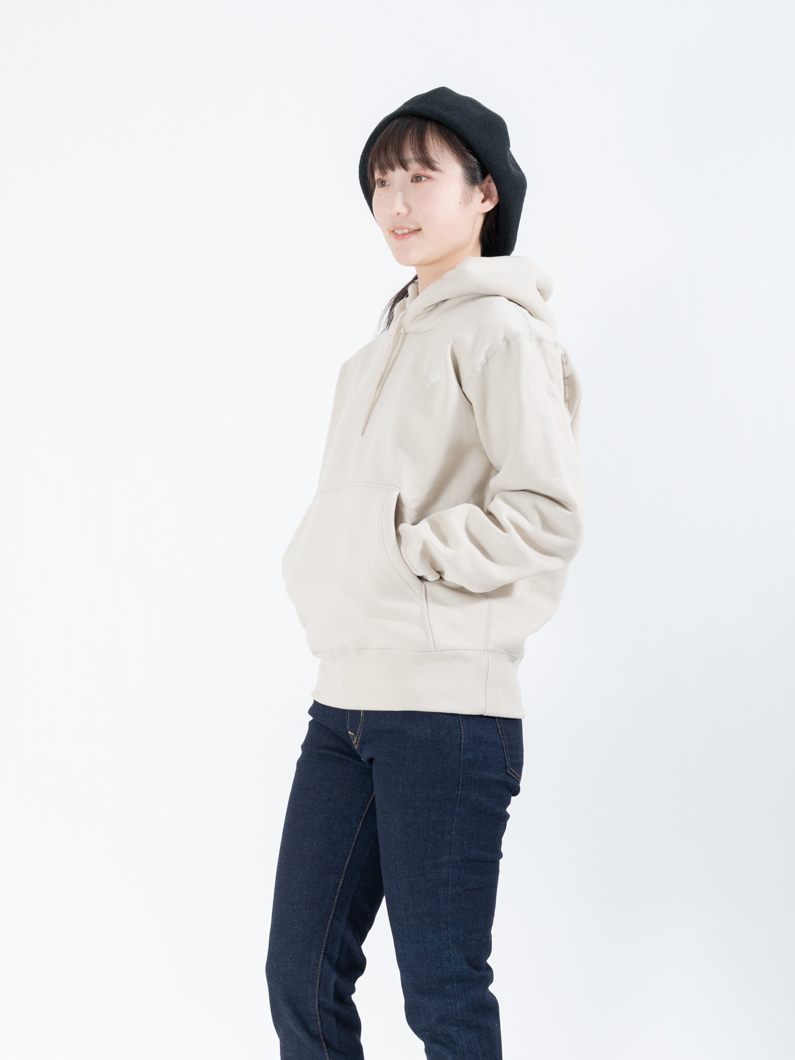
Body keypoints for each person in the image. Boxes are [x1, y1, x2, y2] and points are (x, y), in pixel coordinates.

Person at [265, 85, 586, 1060]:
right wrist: (325, 560)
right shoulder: (371, 356)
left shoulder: (502, 332)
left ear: (484, 193)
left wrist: (410, 554)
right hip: (344, 703)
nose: (395, 201)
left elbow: (546, 513)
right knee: (300, 978)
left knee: (443, 994)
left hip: (446, 712)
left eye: (419, 176)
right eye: (379, 181)